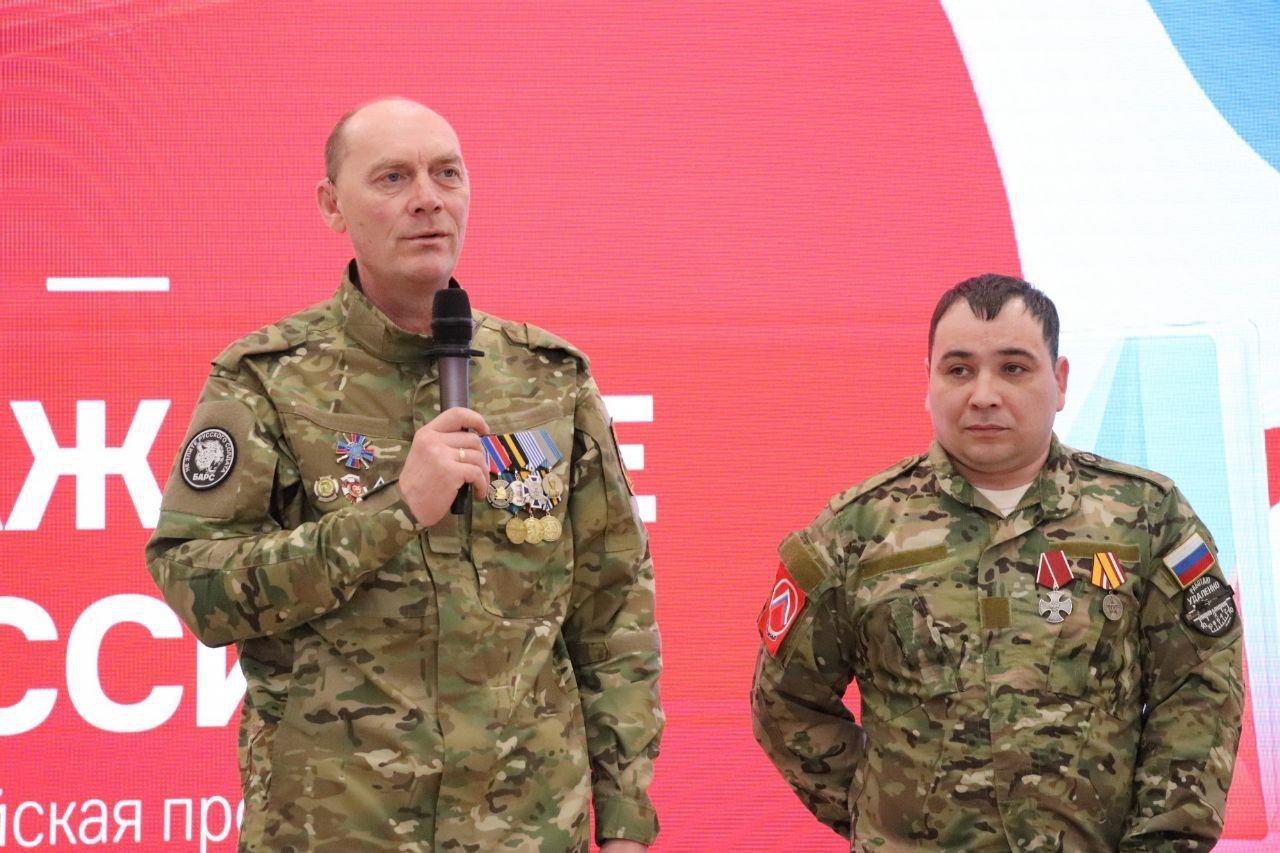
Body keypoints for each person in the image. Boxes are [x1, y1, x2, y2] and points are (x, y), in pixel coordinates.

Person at [146, 97, 662, 851]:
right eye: (392, 177)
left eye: (446, 173)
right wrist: (394, 513)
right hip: (334, 827)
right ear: (332, 205)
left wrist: (624, 823)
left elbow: (613, 611)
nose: (428, 198)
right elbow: (197, 585)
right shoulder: (265, 379)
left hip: (526, 826)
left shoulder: (550, 379)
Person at [751, 274, 1242, 850]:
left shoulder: (1146, 515)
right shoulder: (855, 530)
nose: (984, 394)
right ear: (929, 382)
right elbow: (784, 701)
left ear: (1060, 381)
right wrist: (878, 812)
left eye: (1013, 368)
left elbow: (1200, 691)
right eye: (959, 370)